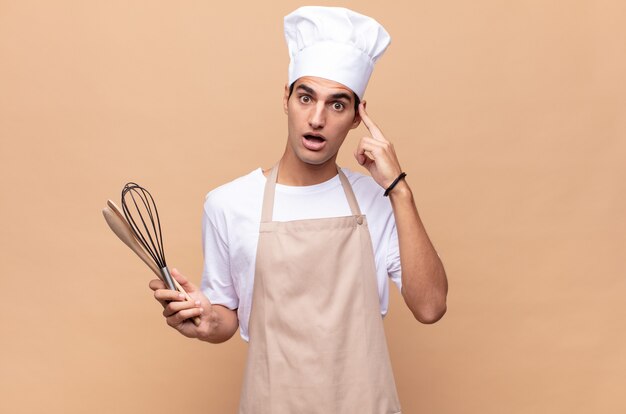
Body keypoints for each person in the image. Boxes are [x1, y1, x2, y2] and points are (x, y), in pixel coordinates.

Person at [150, 6, 448, 413]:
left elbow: (430, 307)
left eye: (337, 105)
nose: (317, 119)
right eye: (306, 97)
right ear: (286, 98)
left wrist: (400, 190)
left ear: (358, 117)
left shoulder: (377, 200)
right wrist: (203, 320)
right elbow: (226, 317)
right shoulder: (228, 203)